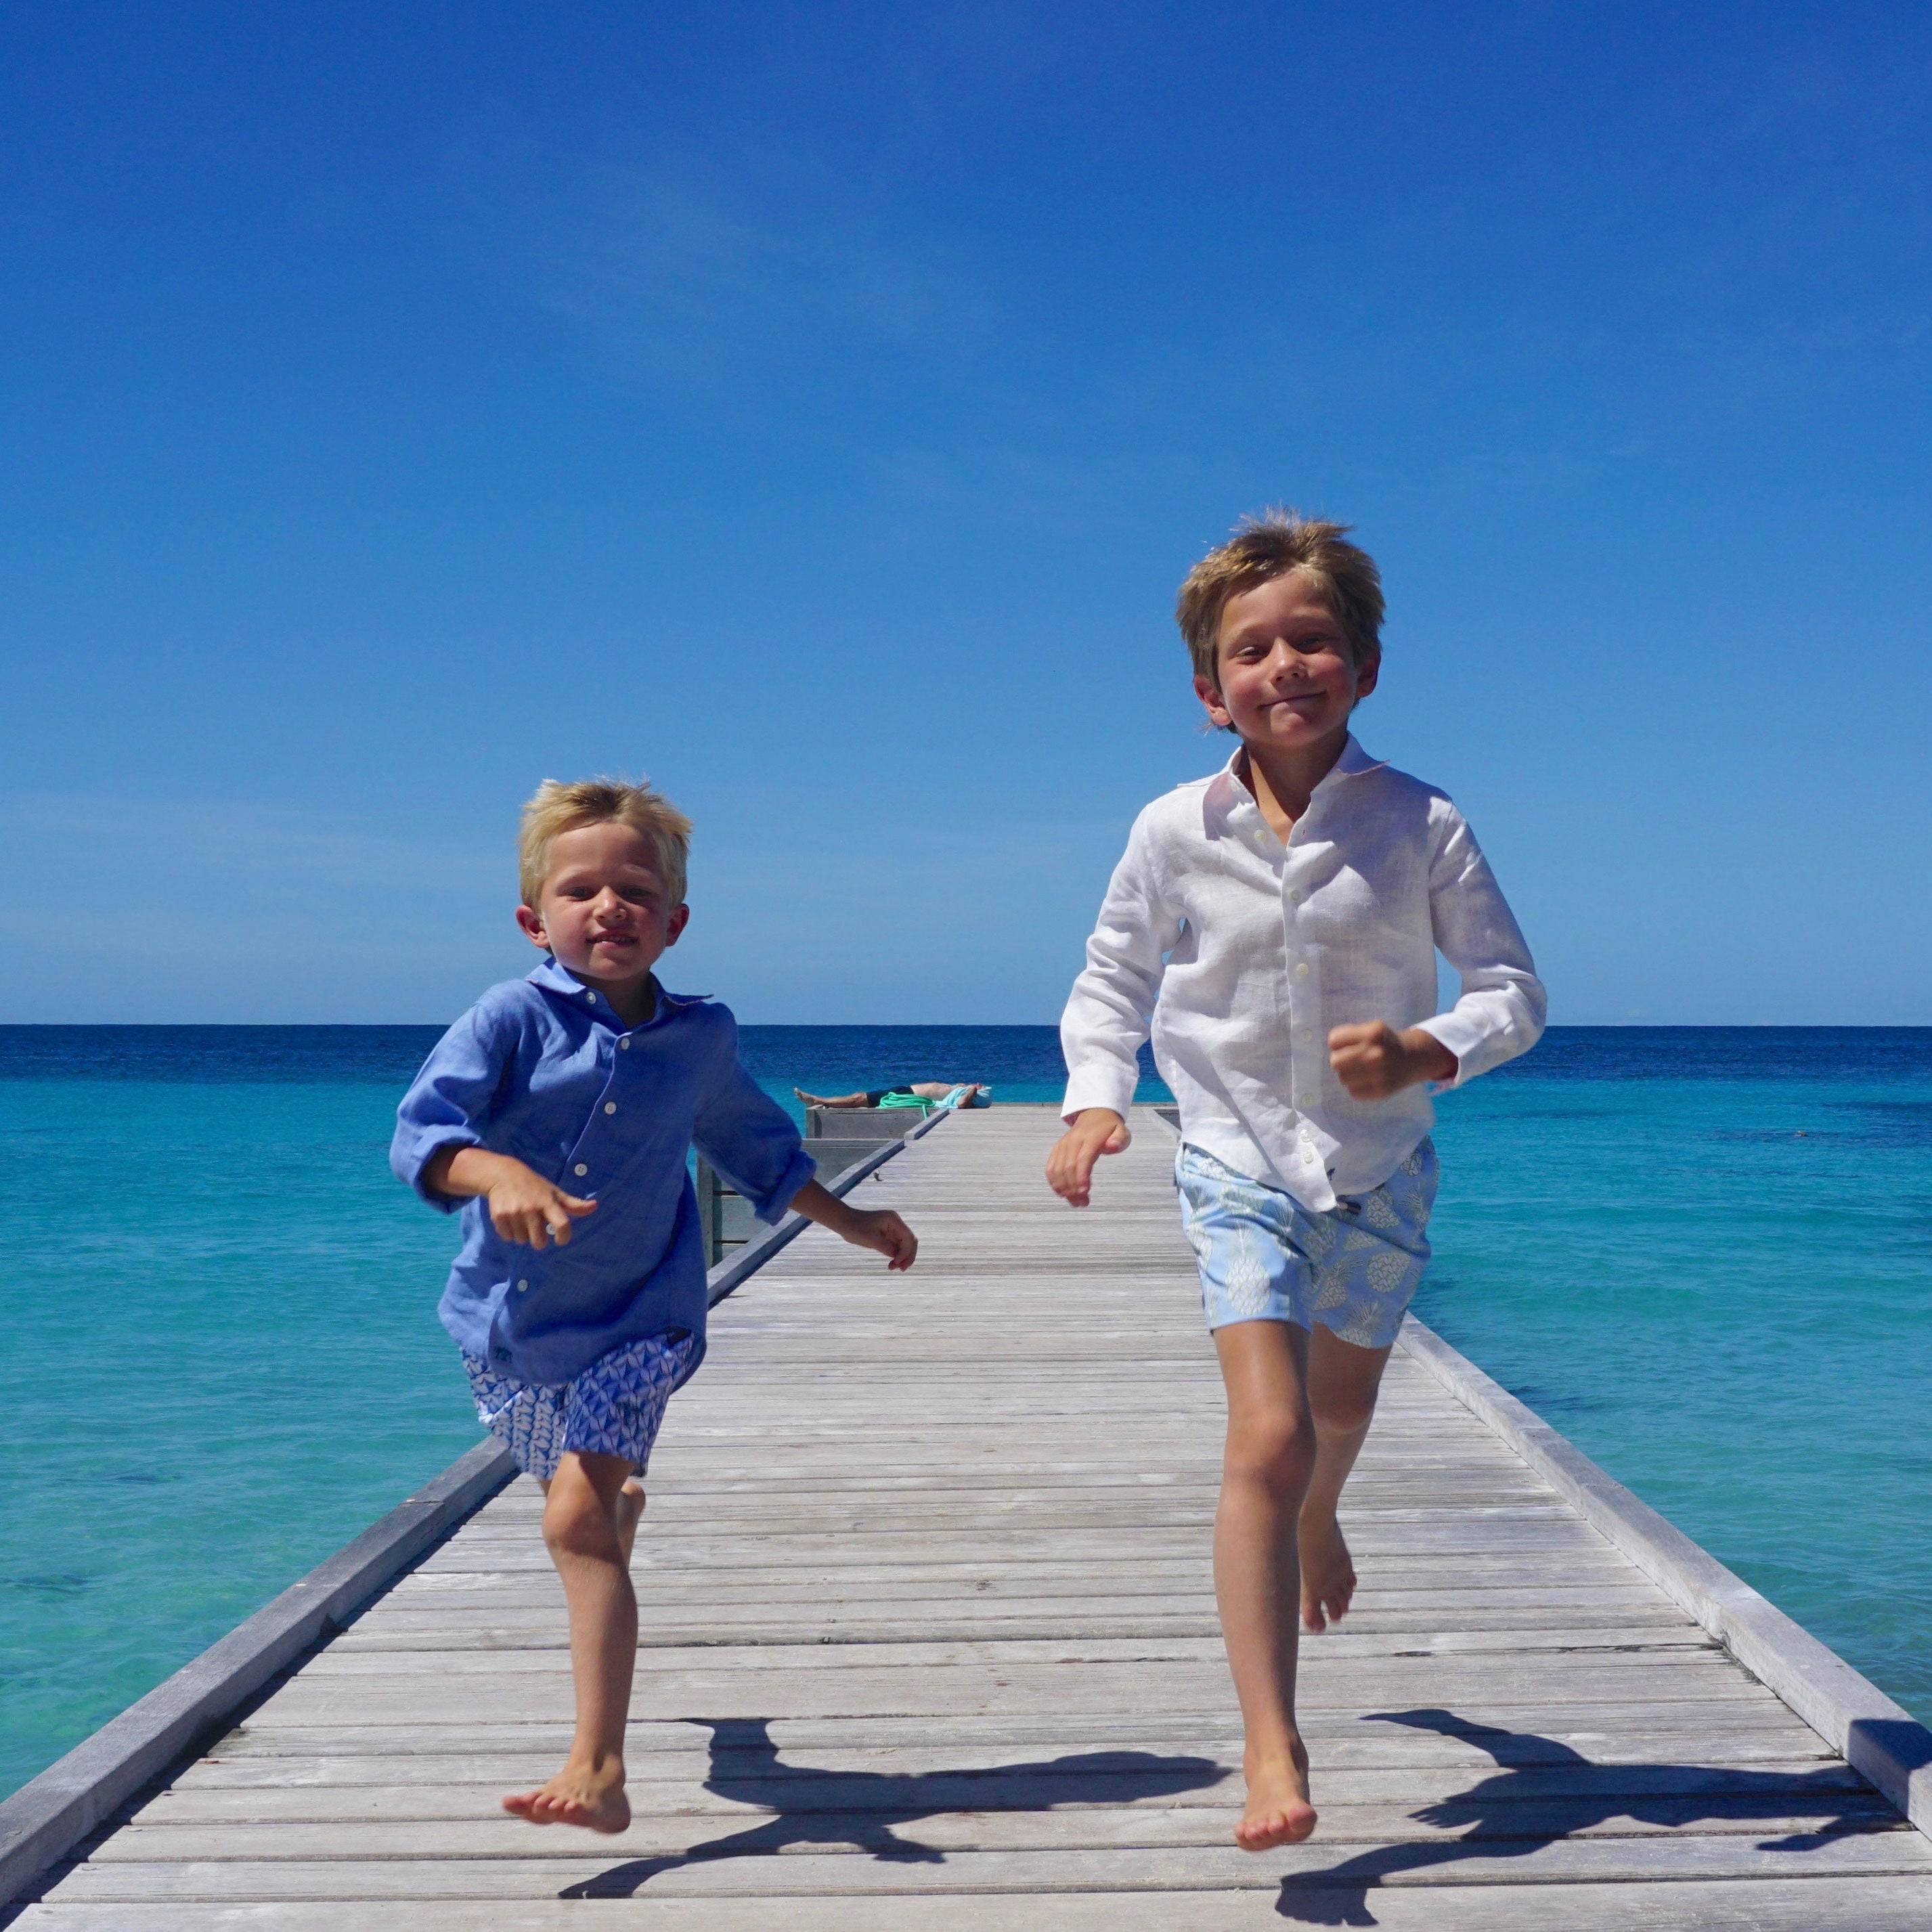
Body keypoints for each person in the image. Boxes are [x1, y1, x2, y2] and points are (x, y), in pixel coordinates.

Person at [1047, 513, 1544, 1852]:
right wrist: (1097, 1100)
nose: (1284, 664)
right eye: (1249, 648)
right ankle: (1271, 1737)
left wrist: (1424, 1047)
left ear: (1363, 663)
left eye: (1310, 639)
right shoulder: (1169, 827)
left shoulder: (1418, 821)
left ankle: (1321, 1515)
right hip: (1229, 1152)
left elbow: (1514, 991)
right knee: (1265, 1433)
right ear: (1211, 689)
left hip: (1380, 1164)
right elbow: (1111, 977)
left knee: (1337, 1411)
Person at [391, 776, 917, 1835]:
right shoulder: (506, 1018)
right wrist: (497, 1173)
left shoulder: (701, 1036)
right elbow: (422, 1133)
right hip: (508, 1326)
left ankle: (598, 1766)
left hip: (646, 1320)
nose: (608, 908)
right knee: (587, 1510)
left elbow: (752, 1143)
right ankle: (629, 1532)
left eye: (634, 890)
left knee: (574, 1517)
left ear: (675, 918)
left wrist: (849, 1221)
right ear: (535, 918)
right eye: (580, 889)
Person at [794, 1082, 988, 1108]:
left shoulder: (969, 1096)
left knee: (858, 1098)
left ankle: (818, 1100)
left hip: (907, 1094)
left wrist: (972, 1088)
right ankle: (823, 1101)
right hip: (906, 1091)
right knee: (859, 1097)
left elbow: (962, 1104)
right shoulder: (962, 1090)